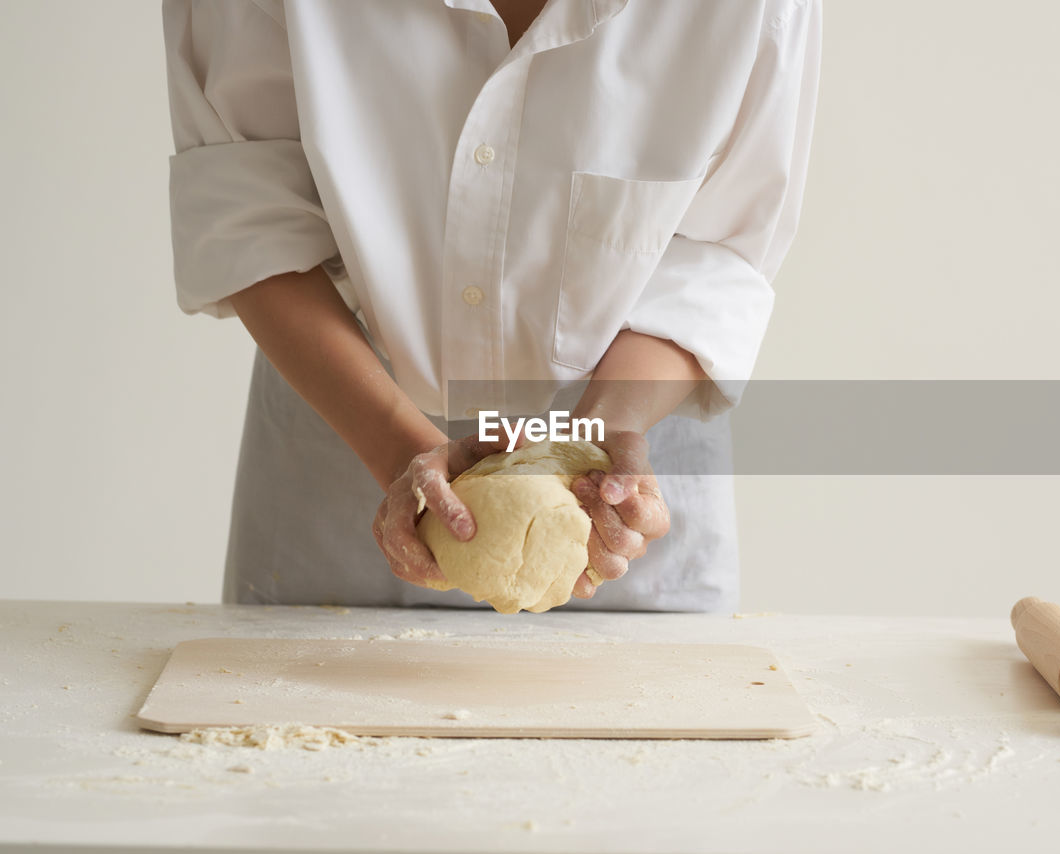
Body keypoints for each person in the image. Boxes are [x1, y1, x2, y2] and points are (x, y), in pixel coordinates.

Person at [162, 0, 822, 611]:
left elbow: (719, 245)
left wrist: (596, 436)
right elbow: (247, 209)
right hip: (343, 424)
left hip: (626, 464)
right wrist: (394, 446)